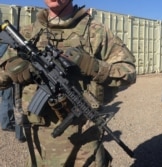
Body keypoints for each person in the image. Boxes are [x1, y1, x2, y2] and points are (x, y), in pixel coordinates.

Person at [0, 0, 136, 166]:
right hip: (39, 146)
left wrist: (92, 66)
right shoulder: (27, 33)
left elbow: (128, 73)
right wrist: (10, 70)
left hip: (83, 143)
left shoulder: (95, 32)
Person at [0, 44, 26, 142]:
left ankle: (8, 125)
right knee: (14, 102)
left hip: (12, 68)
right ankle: (13, 129)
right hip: (13, 70)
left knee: (12, 101)